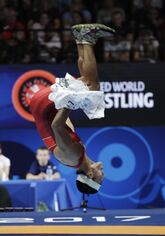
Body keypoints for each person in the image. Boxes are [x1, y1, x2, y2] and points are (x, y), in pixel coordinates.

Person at [30, 23, 115, 194]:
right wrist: (76, 95)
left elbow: (56, 126)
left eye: (100, 177)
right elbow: (64, 127)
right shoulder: (79, 156)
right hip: (46, 107)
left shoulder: (72, 155)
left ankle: (86, 38)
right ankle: (81, 38)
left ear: (90, 174)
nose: (103, 174)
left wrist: (71, 101)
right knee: (87, 81)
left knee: (92, 86)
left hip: (43, 106)